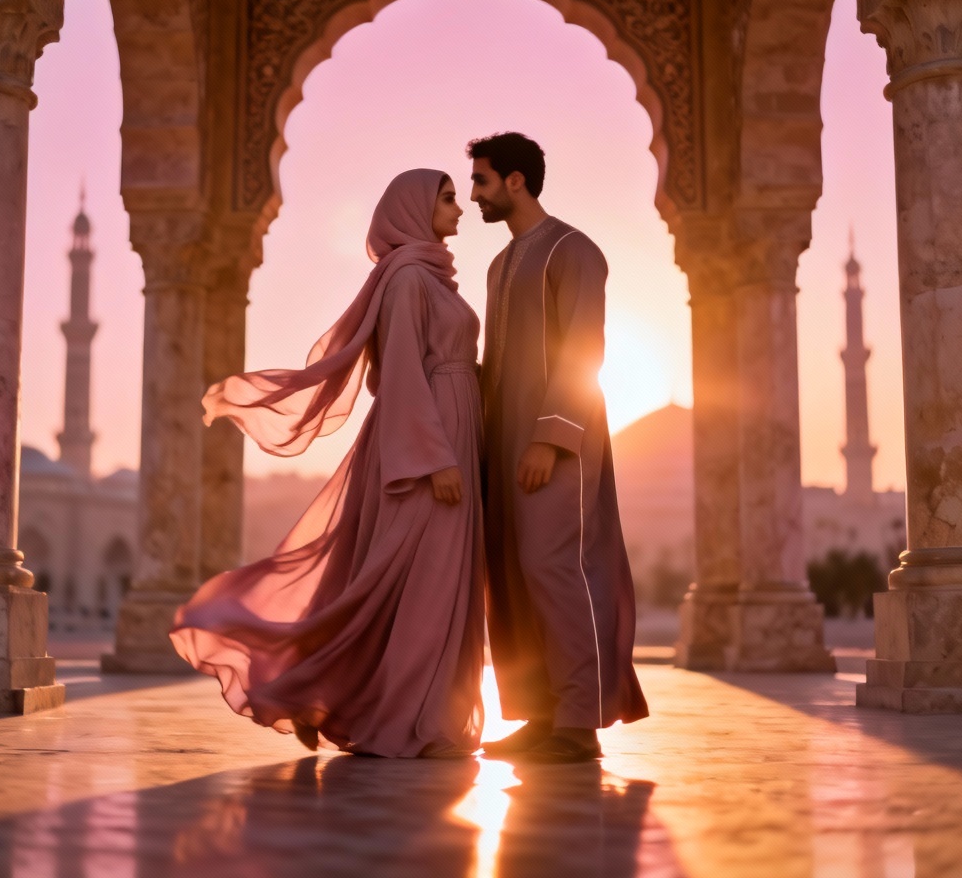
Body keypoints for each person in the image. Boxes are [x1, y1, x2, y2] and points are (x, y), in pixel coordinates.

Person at [171, 169, 486, 759]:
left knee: (411, 582)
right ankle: (419, 722)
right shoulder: (409, 280)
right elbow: (400, 374)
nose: (460, 208)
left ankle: (324, 693)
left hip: (451, 434)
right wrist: (435, 459)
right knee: (419, 583)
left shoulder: (432, 278)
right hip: (425, 448)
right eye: (446, 198)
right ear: (413, 210)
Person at [468, 132, 648, 763]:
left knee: (556, 565)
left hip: (556, 441)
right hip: (504, 443)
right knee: (513, 573)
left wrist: (551, 438)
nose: (473, 196)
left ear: (516, 181)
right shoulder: (500, 264)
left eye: (482, 182)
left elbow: (583, 349)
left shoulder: (574, 251)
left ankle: (578, 722)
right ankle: (539, 713)